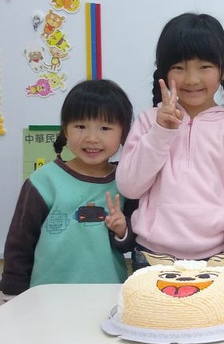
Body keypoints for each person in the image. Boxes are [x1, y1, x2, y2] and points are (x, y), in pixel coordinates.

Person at [116, 13, 224, 273]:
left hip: (216, 260)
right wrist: (161, 132)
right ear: (163, 70)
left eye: (204, 67)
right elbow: (130, 187)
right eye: (179, 68)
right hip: (152, 256)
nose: (192, 79)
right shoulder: (149, 121)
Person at [0, 79, 135, 301]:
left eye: (105, 128)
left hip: (106, 297)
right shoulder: (44, 181)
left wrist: (122, 230)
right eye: (80, 126)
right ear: (65, 130)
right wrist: (12, 294)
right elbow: (20, 244)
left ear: (123, 133)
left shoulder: (127, 181)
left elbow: (134, 243)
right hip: (47, 298)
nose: (91, 138)